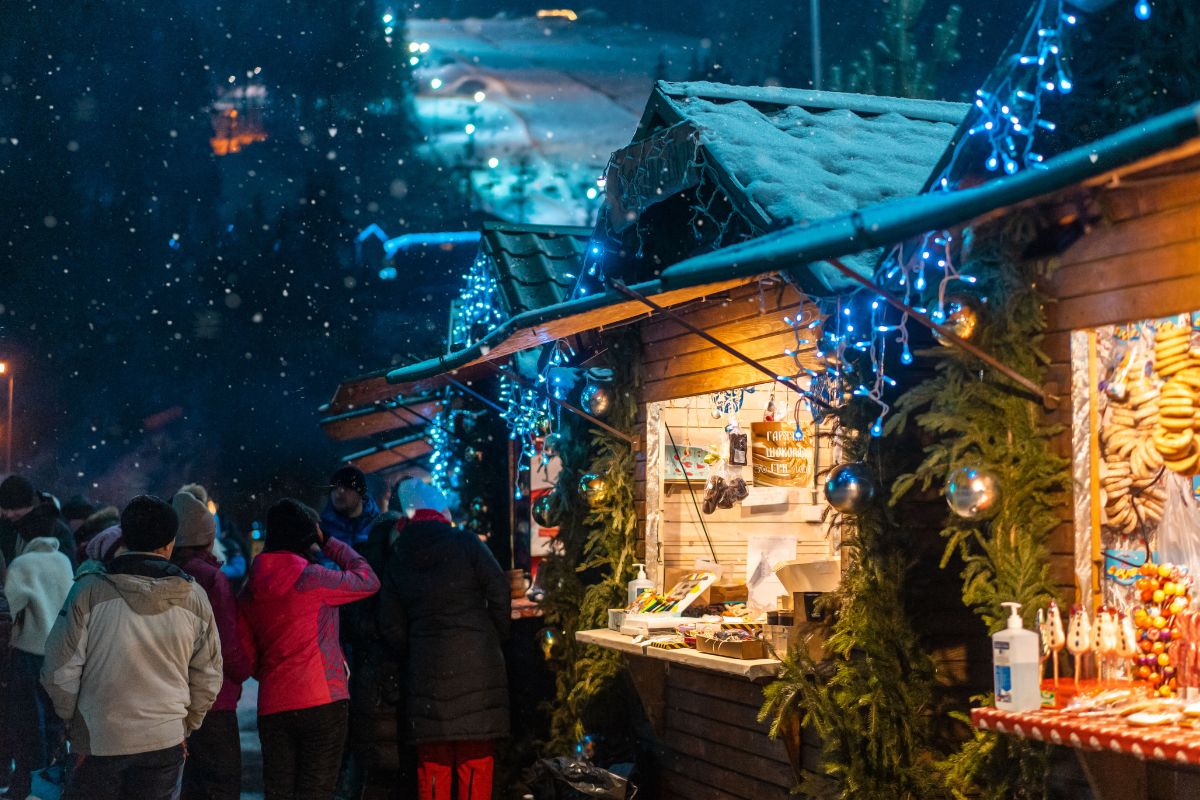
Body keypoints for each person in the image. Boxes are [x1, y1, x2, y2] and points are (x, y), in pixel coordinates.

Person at [41, 495, 223, 800]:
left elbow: (59, 669)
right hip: (164, 739)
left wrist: (74, 718)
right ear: (169, 544)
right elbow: (208, 675)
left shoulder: (88, 591)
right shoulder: (193, 597)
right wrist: (185, 722)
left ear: (123, 537)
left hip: (99, 739)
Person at [238, 498, 380, 800]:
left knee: (279, 791)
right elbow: (367, 579)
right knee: (315, 791)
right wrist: (329, 542)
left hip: (274, 703)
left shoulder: (250, 587)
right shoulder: (314, 578)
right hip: (322, 698)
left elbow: (248, 654)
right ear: (307, 535)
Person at [379, 480, 511, 800]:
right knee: (475, 763)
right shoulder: (466, 543)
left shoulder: (398, 556)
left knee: (433, 767)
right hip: (478, 669)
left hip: (426, 676)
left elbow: (390, 624)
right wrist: (490, 639)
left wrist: (417, 650)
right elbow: (500, 594)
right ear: (441, 512)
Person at [171, 490, 252, 800]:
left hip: (177, 696)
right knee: (221, 782)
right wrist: (242, 669)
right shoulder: (210, 578)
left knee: (190, 783)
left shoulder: (169, 574)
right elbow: (225, 639)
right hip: (216, 699)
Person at [3, 513, 74, 799]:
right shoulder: (63, 561)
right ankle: (51, 785)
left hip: (30, 653)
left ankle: (28, 785)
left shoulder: (24, 564)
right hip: (61, 652)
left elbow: (10, 604)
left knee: (29, 724)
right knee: (57, 721)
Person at [0, 475, 75, 568]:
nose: (9, 514)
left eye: (15, 508)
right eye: (6, 509)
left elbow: (67, 569)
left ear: (30, 505)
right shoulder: (5, 526)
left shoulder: (57, 530)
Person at [320, 466, 380, 549]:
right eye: (334, 487)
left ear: (360, 491)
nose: (339, 492)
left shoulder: (378, 525)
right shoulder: (323, 530)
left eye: (347, 486)